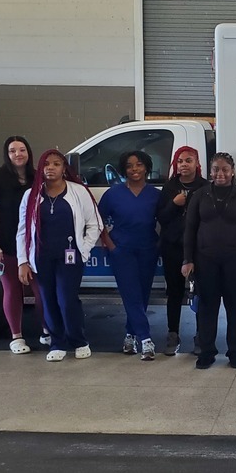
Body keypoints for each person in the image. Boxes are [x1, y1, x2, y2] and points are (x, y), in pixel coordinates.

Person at [17, 149, 103, 362]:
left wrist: (84, 248)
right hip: (41, 256)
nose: (51, 168)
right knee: (48, 299)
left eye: (56, 164)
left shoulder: (78, 192)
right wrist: (23, 261)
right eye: (46, 164)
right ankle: (57, 342)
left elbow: (96, 224)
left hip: (71, 256)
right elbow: (22, 230)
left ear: (64, 168)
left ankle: (79, 341)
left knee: (67, 298)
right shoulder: (31, 195)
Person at [181, 152, 236, 370]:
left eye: (225, 169)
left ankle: (235, 352)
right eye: (216, 169)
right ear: (210, 171)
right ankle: (207, 352)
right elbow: (190, 229)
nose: (220, 173)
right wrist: (188, 259)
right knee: (208, 307)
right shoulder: (200, 194)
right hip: (205, 259)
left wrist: (232, 235)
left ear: (233, 171)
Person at [0, 135, 50, 354]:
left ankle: (47, 331)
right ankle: (17, 336)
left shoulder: (38, 177)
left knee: (41, 291)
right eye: (12, 150)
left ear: (29, 153)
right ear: (6, 154)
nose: (17, 154)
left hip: (35, 247)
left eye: (22, 150)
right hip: (6, 246)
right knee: (12, 289)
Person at [99, 150, 161, 361]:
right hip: (121, 251)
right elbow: (97, 221)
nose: (134, 169)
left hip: (147, 250)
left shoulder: (155, 195)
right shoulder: (113, 194)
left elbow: (167, 220)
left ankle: (130, 334)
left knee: (141, 296)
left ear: (146, 167)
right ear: (123, 170)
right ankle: (145, 339)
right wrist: (110, 245)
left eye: (139, 164)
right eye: (129, 165)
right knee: (131, 294)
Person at [157, 146, 208, 355]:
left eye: (189, 160)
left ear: (197, 164)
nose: (184, 164)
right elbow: (161, 217)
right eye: (180, 161)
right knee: (175, 292)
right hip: (172, 248)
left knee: (200, 293)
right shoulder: (169, 188)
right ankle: (172, 333)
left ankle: (200, 335)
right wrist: (174, 204)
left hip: (199, 250)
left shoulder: (205, 187)